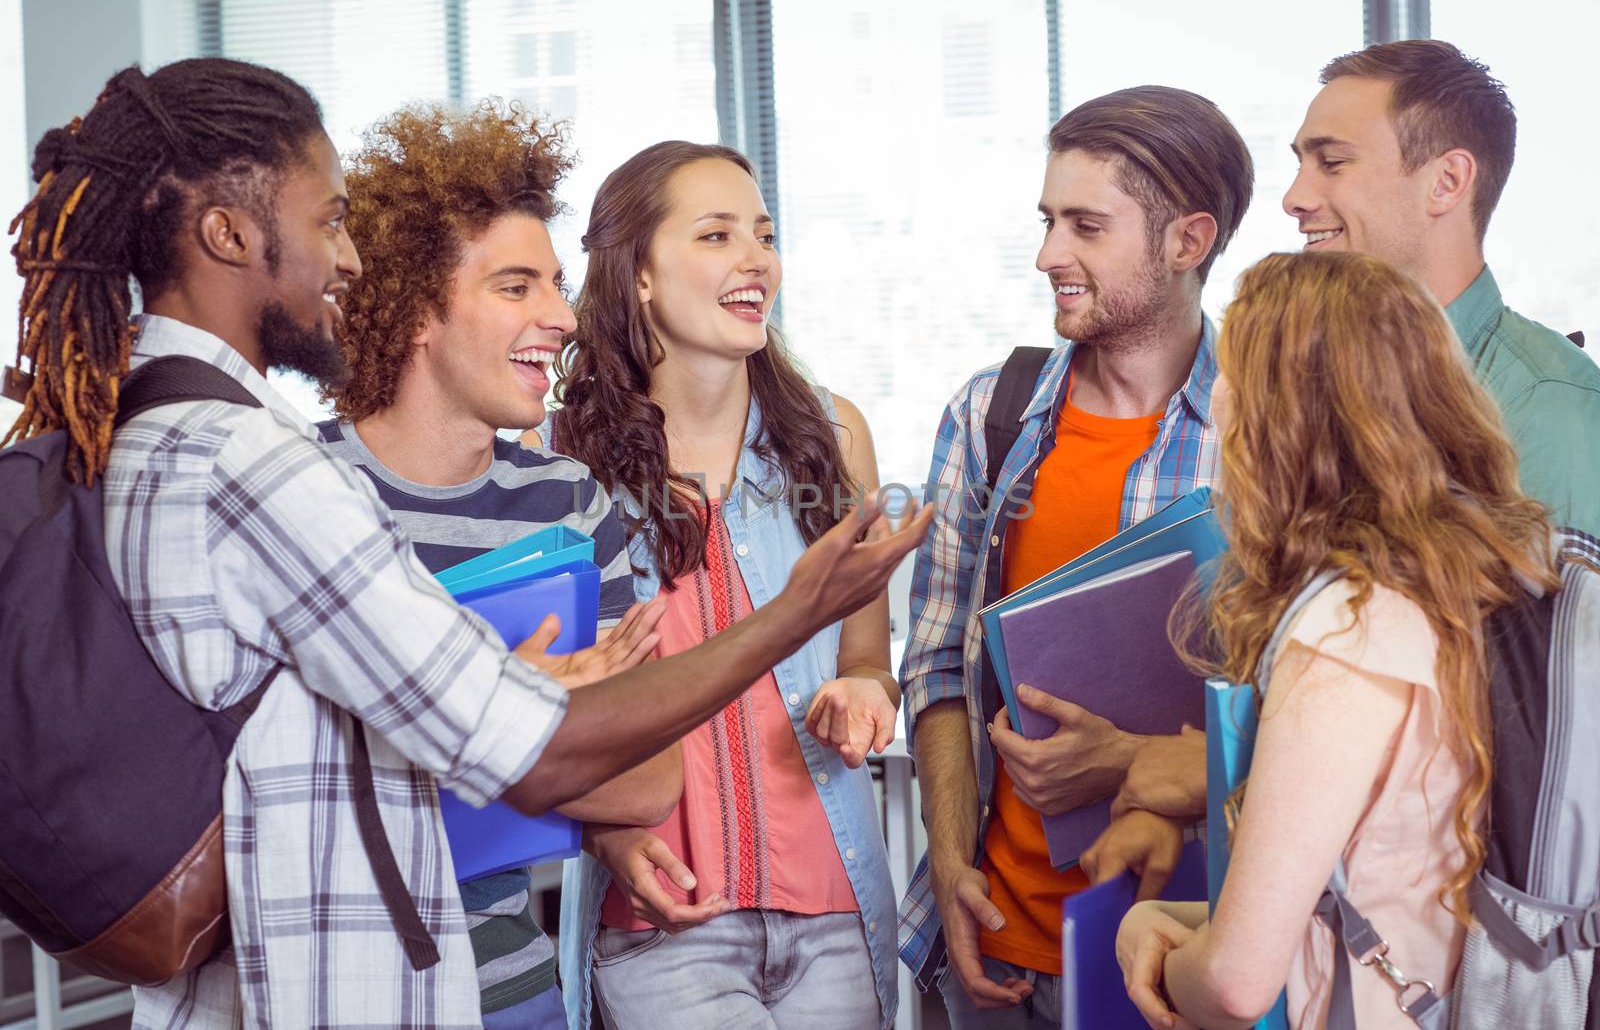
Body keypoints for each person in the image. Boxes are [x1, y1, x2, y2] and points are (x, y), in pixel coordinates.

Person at [2, 59, 929, 1029]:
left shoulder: (137, 437)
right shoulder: (256, 464)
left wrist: (503, 707)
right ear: (228, 233)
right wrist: (793, 615)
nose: (347, 259)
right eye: (327, 222)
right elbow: (519, 743)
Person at [1112, 249, 1559, 1029]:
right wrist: (1193, 922)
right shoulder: (1471, 579)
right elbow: (1377, 882)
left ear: (1285, 417)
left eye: (1232, 374)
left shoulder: (1349, 628)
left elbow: (1236, 985)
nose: (1216, 401)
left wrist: (1147, 940)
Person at [318, 101, 687, 1028]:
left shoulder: (565, 502)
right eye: (517, 286)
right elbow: (291, 787)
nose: (561, 317)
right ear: (415, 312)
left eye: (556, 285)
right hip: (350, 992)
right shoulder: (303, 497)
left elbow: (649, 778)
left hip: (517, 992)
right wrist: (529, 720)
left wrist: (433, 733)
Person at [896, 86, 1254, 1027]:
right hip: (995, 947)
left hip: (1185, 954)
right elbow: (937, 659)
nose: (1051, 253)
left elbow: (1298, 708)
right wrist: (947, 861)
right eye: (1050, 220)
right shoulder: (991, 415)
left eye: (1087, 225)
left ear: (1188, 241)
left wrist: (1130, 761)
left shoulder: (1268, 428)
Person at [550, 140, 902, 1030]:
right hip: (664, 922)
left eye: (764, 233)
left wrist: (863, 690)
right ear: (635, 274)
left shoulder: (833, 437)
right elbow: (540, 713)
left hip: (833, 912)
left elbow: (868, 656)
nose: (756, 259)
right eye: (715, 235)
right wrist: (607, 829)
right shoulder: (557, 464)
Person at [1283, 39, 1600, 538]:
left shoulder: (1551, 414)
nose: (1294, 198)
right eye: (1300, 163)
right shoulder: (1302, 383)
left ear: (1447, 182)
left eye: (1333, 162)